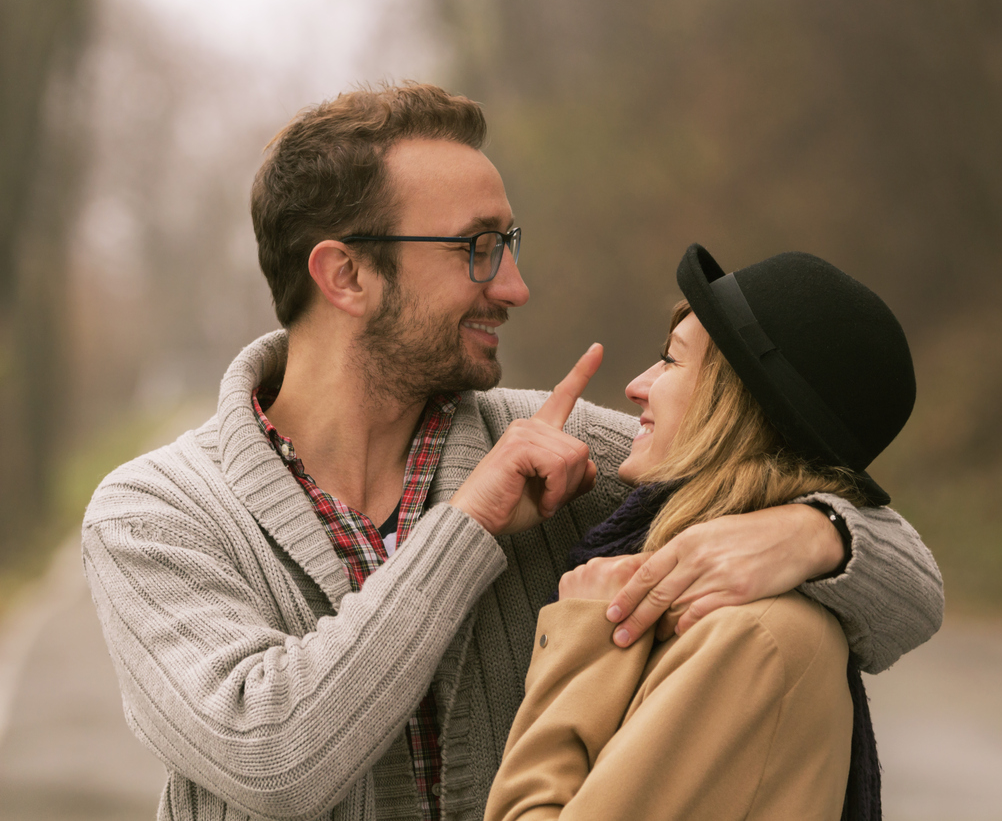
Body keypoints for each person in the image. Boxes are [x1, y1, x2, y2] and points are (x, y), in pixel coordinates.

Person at [81, 82, 943, 821]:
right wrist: (471, 524)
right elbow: (271, 753)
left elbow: (911, 593)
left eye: (510, 245)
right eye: (477, 249)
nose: (515, 286)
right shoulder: (156, 512)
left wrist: (819, 534)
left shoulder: (558, 447)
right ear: (343, 275)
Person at [485, 244, 912, 821]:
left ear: (734, 403)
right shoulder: (728, 607)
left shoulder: (745, 636)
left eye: (670, 360)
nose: (636, 385)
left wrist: (582, 639)